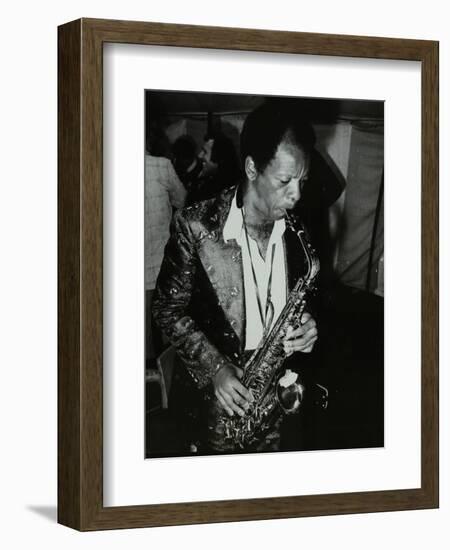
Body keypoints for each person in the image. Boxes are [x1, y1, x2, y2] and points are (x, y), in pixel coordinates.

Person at [153, 100, 319, 453]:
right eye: (286, 181)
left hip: (278, 400)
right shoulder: (196, 225)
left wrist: (308, 327)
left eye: (303, 181)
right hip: (217, 406)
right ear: (252, 168)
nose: (297, 195)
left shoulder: (297, 233)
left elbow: (301, 300)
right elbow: (167, 309)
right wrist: (215, 368)